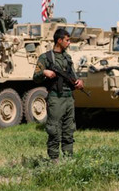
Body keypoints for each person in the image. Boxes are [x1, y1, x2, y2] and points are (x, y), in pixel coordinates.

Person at [33, 29, 84, 162]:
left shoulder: (67, 57)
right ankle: (54, 160)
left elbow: (73, 76)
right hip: (55, 97)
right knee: (54, 130)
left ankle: (68, 159)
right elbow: (35, 77)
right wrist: (44, 72)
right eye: (67, 40)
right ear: (59, 40)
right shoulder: (46, 57)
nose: (69, 42)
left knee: (69, 130)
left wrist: (79, 82)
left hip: (69, 98)